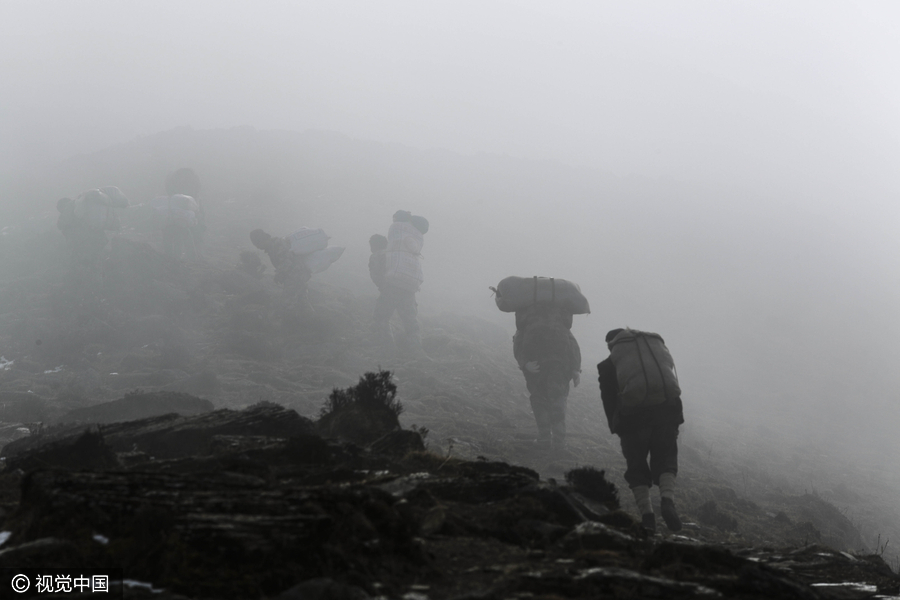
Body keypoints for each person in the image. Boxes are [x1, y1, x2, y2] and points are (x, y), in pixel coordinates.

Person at [598, 328, 684, 533]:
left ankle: (647, 517)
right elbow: (672, 388)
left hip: (633, 420)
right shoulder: (655, 352)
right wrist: (676, 420)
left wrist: (616, 426)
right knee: (666, 460)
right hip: (665, 413)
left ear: (611, 344)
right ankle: (667, 501)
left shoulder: (609, 364)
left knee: (636, 466)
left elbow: (608, 399)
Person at [513, 303, 582, 450]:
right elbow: (572, 345)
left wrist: (525, 364)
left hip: (537, 368)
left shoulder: (528, 321)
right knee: (557, 401)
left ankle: (545, 439)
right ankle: (558, 442)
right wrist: (575, 369)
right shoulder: (560, 323)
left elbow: (518, 343)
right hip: (558, 366)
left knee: (539, 401)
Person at [372, 211, 428, 357]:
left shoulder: (395, 232)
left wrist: (384, 287)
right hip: (410, 285)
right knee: (410, 322)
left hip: (393, 283)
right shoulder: (416, 238)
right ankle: (417, 352)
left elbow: (377, 274)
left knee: (381, 317)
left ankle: (388, 350)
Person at [56, 186, 129, 271]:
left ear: (63, 206)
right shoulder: (84, 208)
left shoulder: (70, 209)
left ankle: (89, 272)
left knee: (86, 264)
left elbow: (60, 225)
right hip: (97, 239)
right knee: (95, 260)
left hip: (84, 243)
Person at [250, 228, 313, 314]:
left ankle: (291, 319)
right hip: (297, 275)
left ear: (263, 239)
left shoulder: (278, 245)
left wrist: (278, 275)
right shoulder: (273, 246)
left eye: (258, 244)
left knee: (288, 302)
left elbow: (286, 262)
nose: (258, 247)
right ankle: (310, 318)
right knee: (301, 300)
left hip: (295, 275)